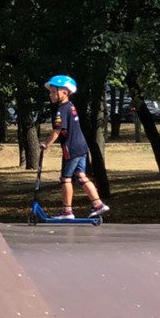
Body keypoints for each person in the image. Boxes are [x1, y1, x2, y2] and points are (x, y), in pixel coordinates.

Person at [42, 74, 109, 218]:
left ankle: (67, 211)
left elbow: (57, 130)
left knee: (66, 179)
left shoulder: (62, 110)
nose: (51, 95)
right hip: (82, 147)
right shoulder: (71, 106)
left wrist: (46, 144)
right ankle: (98, 204)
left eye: (53, 91)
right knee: (81, 176)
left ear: (64, 93)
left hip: (71, 148)